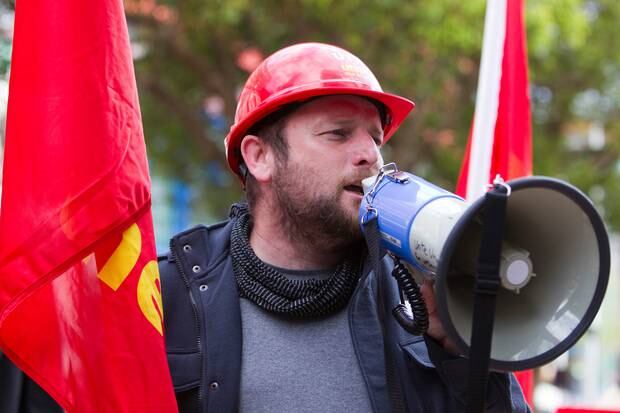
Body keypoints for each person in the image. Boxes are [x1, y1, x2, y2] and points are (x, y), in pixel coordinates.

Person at [159, 42, 531, 412]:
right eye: (338, 133)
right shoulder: (170, 296)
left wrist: (468, 361)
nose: (370, 155)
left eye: (375, 137)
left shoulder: (416, 305)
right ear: (260, 157)